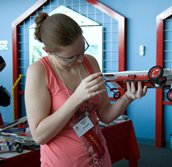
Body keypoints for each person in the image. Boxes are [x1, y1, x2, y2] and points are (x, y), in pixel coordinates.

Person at [24, 12, 147, 167]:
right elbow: (39, 136)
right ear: (47, 51)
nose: (81, 60)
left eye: (83, 50)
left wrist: (128, 97)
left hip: (99, 157)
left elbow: (105, 115)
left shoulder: (91, 62)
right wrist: (76, 98)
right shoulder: (38, 71)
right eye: (71, 58)